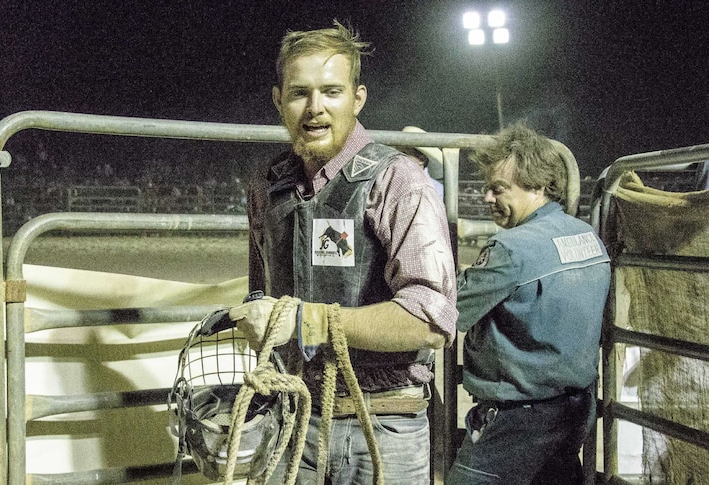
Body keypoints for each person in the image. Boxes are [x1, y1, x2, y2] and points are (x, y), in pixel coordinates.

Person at [228, 21, 458, 484]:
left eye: (331, 91)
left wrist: (303, 321)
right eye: (299, 93)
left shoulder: (398, 182)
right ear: (278, 100)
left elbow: (431, 321)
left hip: (382, 428)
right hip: (291, 420)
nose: (314, 108)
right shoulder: (268, 187)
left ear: (358, 98)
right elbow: (264, 290)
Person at [445, 123, 611, 485]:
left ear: (537, 186)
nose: (488, 197)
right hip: (575, 408)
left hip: (520, 417)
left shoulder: (511, 249)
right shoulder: (587, 236)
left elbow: (449, 310)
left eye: (498, 189)